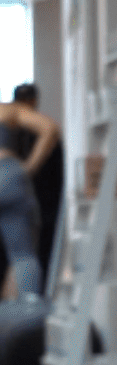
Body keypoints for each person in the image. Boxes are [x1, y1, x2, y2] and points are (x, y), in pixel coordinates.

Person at [0, 84, 60, 300]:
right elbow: (50, 128)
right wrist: (29, 168)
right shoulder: (8, 110)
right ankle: (25, 319)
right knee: (22, 256)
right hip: (8, 175)